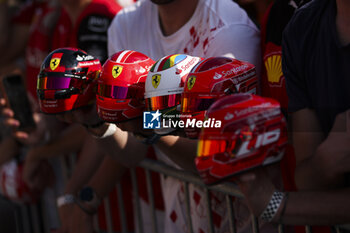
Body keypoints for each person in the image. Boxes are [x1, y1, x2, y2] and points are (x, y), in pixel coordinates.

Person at [236, 0, 350, 228]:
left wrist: (155, 127)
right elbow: (308, 179)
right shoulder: (301, 27)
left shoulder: (227, 29)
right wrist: (326, 162)